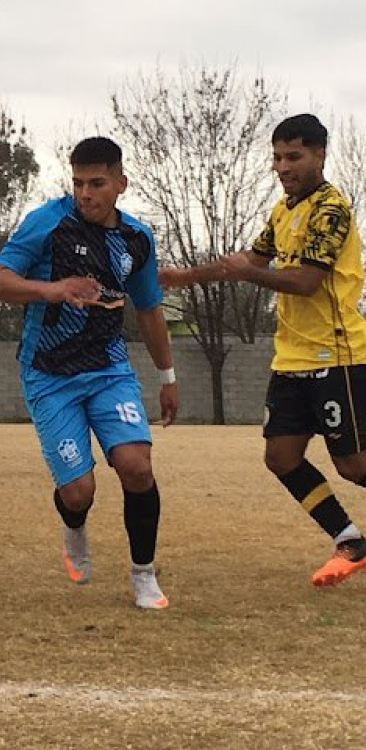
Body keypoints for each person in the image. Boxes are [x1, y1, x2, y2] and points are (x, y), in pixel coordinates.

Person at [160, 113, 366, 588]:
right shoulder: (283, 210)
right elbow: (248, 260)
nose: (283, 167)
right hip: (292, 359)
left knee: (354, 465)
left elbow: (307, 281)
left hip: (337, 356)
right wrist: (183, 277)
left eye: (294, 156)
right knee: (281, 456)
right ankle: (351, 539)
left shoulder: (330, 209)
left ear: (319, 155)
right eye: (277, 157)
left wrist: (249, 273)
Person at [0, 136, 179, 610]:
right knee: (78, 492)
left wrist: (167, 377)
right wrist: (49, 289)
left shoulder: (136, 239)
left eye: (96, 183)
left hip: (109, 370)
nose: (85, 194)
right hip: (49, 374)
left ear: (120, 184)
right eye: (78, 183)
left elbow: (149, 310)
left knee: (136, 466)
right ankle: (74, 526)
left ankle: (144, 574)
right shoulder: (48, 222)